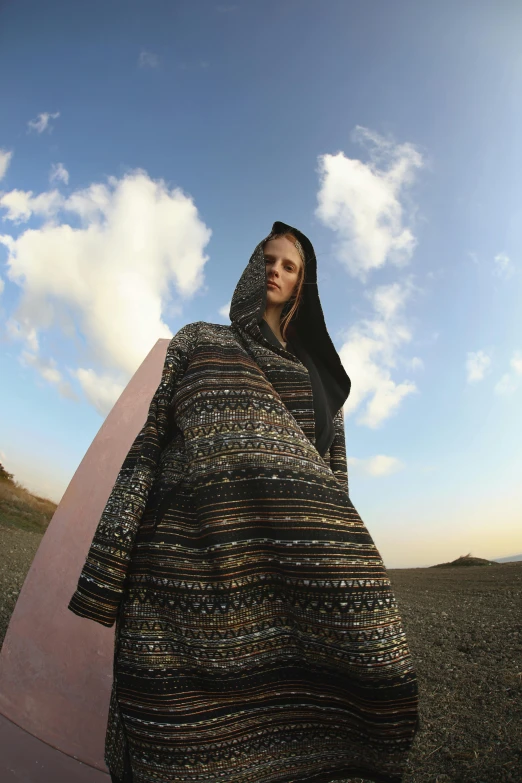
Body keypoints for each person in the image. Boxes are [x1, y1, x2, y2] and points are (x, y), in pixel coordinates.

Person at [68, 221, 419, 783]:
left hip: (275, 573)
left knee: (357, 684)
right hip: (177, 568)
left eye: (289, 266)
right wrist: (108, 568)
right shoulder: (200, 340)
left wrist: (327, 562)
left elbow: (329, 483)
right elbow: (149, 446)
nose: (276, 272)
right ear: (252, 269)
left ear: (305, 284)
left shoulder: (318, 381)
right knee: (166, 724)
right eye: (269, 261)